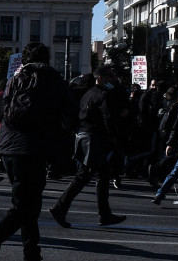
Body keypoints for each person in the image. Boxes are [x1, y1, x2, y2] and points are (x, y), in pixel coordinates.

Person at [0, 43, 76, 261]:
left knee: (30, 205)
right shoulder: (50, 77)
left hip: (9, 147)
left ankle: (31, 258)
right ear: (47, 58)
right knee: (24, 206)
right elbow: (70, 112)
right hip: (32, 148)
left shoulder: (15, 79)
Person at [49, 65, 127, 228]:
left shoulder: (89, 93)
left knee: (99, 174)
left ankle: (103, 214)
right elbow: (108, 118)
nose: (113, 79)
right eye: (110, 76)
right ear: (101, 78)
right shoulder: (103, 94)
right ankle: (60, 207)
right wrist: (113, 136)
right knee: (85, 175)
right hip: (94, 138)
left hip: (85, 136)